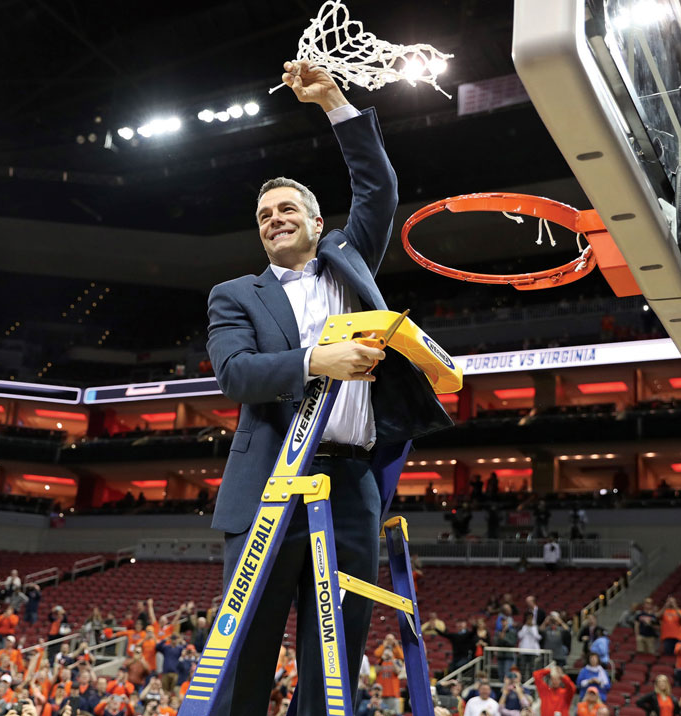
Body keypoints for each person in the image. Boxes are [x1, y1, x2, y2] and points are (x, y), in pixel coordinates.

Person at [205, 59, 451, 716]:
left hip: (351, 485)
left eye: (289, 209)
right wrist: (320, 359)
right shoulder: (233, 295)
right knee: (247, 653)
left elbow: (377, 188)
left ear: (319, 225)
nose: (275, 218)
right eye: (264, 214)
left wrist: (336, 105)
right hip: (269, 482)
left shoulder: (348, 261)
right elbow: (235, 375)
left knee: (335, 653)